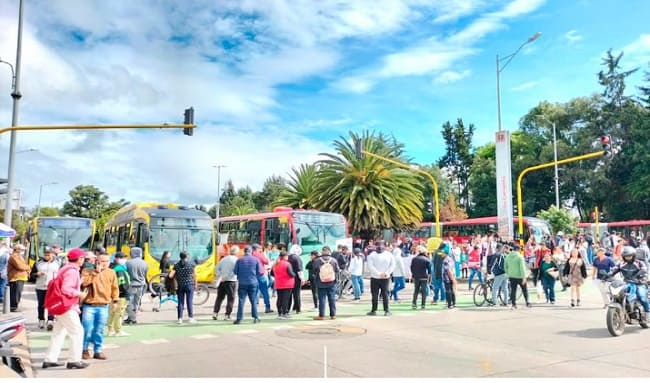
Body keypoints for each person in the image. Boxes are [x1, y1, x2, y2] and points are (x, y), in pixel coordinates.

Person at [42, 248, 89, 370]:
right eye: (83, 258)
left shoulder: (65, 268)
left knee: (59, 333)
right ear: (79, 259)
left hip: (60, 306)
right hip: (67, 306)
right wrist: (80, 294)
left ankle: (50, 359)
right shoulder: (72, 271)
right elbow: (66, 289)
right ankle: (74, 360)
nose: (84, 260)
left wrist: (79, 282)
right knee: (77, 332)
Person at [80, 254, 119, 360]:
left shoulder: (111, 272)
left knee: (99, 329)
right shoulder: (87, 271)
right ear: (96, 262)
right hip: (89, 305)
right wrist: (96, 272)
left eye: (107, 261)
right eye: (101, 261)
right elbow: (84, 284)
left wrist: (115, 301)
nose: (105, 263)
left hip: (104, 305)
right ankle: (84, 349)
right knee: (87, 329)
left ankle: (98, 350)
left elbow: (115, 288)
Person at [607, 246, 649, 321]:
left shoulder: (639, 263)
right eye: (626, 256)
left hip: (639, 283)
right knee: (618, 294)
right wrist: (608, 275)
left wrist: (639, 275)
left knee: (642, 296)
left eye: (630, 256)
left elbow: (644, 269)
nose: (628, 258)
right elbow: (614, 269)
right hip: (627, 283)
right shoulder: (621, 264)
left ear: (633, 255)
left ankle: (648, 312)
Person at [233, 246, 262, 325]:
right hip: (253, 282)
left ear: (244, 251)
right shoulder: (256, 260)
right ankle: (256, 317)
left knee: (241, 300)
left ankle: (239, 318)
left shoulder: (239, 260)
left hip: (242, 283)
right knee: (253, 300)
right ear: (251, 251)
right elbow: (260, 271)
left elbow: (235, 271)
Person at [366, 241, 395, 316]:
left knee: (375, 294)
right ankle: (386, 310)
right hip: (385, 277)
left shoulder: (371, 255)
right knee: (385, 294)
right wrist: (386, 273)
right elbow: (392, 265)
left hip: (375, 277)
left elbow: (370, 267)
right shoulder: (389, 255)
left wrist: (379, 273)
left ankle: (374, 310)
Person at [35, 247, 61, 330]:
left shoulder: (58, 263)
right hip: (40, 286)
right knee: (41, 304)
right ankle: (41, 319)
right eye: (45, 254)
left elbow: (61, 274)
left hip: (52, 287)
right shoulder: (38, 262)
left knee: (52, 304)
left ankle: (50, 320)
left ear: (52, 254)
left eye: (48, 254)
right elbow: (31, 274)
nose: (47, 256)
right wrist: (37, 274)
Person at [312, 246, 340, 320]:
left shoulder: (317, 261)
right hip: (332, 282)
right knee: (332, 298)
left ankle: (322, 315)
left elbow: (314, 271)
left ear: (322, 252)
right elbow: (337, 270)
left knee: (322, 299)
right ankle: (333, 315)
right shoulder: (334, 260)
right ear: (329, 252)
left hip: (321, 282)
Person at [170, 251, 197, 324]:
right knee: (189, 301)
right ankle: (190, 318)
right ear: (187, 256)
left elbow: (170, 275)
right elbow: (195, 275)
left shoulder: (176, 265)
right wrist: (196, 284)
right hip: (189, 284)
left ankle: (180, 318)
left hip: (180, 285)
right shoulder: (191, 264)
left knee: (180, 302)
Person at [107, 252, 130, 336]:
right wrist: (126, 291)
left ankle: (110, 329)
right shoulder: (120, 269)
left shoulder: (112, 267)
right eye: (122, 258)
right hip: (121, 294)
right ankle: (118, 330)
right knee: (119, 312)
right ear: (117, 258)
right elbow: (122, 283)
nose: (124, 259)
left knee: (112, 312)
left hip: (112, 294)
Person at [212, 246, 238, 321]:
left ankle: (215, 313)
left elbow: (216, 269)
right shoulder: (236, 260)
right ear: (236, 252)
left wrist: (221, 276)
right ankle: (227, 315)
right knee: (231, 298)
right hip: (231, 281)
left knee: (219, 298)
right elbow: (235, 271)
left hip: (222, 281)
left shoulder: (223, 259)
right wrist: (226, 277)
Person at [125, 247, 148, 325]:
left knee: (129, 302)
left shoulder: (128, 263)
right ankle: (131, 317)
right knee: (137, 302)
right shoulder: (144, 263)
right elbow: (145, 274)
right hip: (141, 285)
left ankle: (132, 318)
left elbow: (126, 274)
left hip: (131, 284)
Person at [504, 244, 531, 309]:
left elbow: (505, 267)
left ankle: (514, 304)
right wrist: (524, 277)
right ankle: (527, 302)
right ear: (518, 250)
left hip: (511, 276)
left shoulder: (507, 257)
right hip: (520, 276)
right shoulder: (520, 257)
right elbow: (522, 268)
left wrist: (508, 273)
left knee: (513, 290)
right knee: (524, 289)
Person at [272, 251, 296, 319]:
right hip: (287, 283)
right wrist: (295, 275)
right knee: (285, 299)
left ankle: (279, 313)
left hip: (278, 283)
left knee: (279, 298)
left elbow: (272, 273)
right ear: (285, 256)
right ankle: (285, 313)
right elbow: (291, 274)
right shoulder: (287, 264)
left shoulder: (275, 264)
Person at [7, 243, 30, 312]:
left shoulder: (19, 256)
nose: (22, 251)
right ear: (16, 249)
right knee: (15, 293)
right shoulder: (14, 256)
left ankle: (14, 306)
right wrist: (28, 267)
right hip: (16, 277)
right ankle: (13, 307)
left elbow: (23, 265)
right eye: (21, 249)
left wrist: (26, 268)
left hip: (20, 277)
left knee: (18, 293)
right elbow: (20, 266)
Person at [252, 244, 273, 314]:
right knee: (265, 292)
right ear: (257, 249)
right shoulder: (259, 255)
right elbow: (266, 261)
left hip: (253, 276)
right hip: (261, 275)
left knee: (254, 292)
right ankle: (267, 307)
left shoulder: (250, 255)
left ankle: (254, 308)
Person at [410, 246, 431, 310]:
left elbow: (411, 268)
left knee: (416, 290)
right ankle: (423, 305)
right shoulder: (427, 259)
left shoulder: (414, 259)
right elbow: (429, 270)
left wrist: (413, 275)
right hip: (424, 277)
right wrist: (429, 278)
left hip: (416, 277)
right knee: (424, 291)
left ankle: (414, 303)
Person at [287, 244, 304, 315]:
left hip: (288, 278)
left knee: (288, 294)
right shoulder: (297, 258)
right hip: (296, 278)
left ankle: (287, 308)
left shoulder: (288, 257)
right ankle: (298, 308)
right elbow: (299, 270)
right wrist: (302, 279)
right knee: (296, 293)